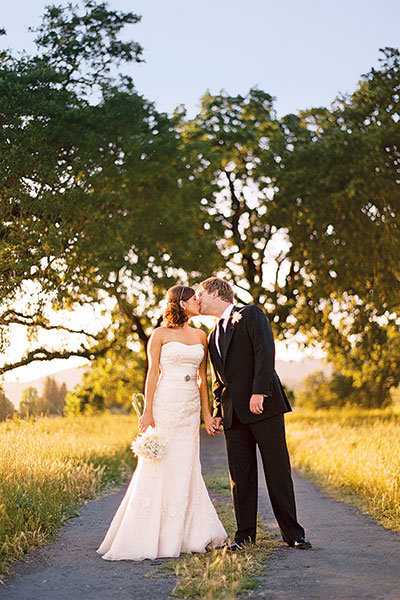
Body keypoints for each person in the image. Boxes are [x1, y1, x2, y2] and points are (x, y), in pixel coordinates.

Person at [97, 285, 226, 561]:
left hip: (190, 406)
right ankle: (149, 533)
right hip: (165, 403)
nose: (198, 301)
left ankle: (186, 533)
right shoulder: (159, 335)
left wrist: (206, 413)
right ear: (180, 303)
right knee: (159, 465)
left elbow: (204, 379)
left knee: (186, 463)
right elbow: (152, 373)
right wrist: (148, 411)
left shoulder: (201, 336)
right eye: (193, 299)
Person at [197, 277, 311, 551]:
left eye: (200, 293)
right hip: (233, 415)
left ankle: (293, 534)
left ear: (215, 292)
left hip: (264, 407)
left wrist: (259, 392)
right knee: (240, 477)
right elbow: (219, 378)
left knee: (277, 471)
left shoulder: (249, 314)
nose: (197, 299)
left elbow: (264, 351)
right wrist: (217, 410)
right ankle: (244, 536)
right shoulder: (212, 336)